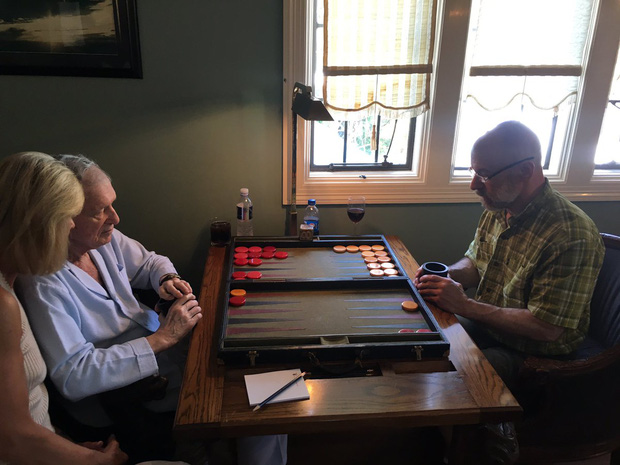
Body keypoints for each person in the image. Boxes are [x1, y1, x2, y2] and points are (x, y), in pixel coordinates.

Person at [16, 154, 287, 465]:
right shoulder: (42, 283)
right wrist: (162, 339)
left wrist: (166, 278)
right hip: (134, 395)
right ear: (62, 218)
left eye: (112, 204)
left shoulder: (102, 238)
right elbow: (74, 376)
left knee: (266, 373)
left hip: (173, 354)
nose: (115, 218)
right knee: (259, 401)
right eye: (99, 211)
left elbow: (149, 262)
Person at [414, 121, 604, 464]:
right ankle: (425, 435)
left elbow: (547, 328)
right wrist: (447, 276)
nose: (474, 185)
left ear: (526, 170)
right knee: (422, 339)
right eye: (474, 172)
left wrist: (465, 305)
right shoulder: (500, 206)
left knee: (460, 378)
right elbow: (476, 262)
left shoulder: (570, 234)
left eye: (484, 174)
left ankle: (481, 449)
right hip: (491, 326)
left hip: (538, 353)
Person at [0, 151, 127, 464]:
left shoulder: (11, 284)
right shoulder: (3, 305)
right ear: (36, 224)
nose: (71, 225)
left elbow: (27, 413)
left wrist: (68, 446)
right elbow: (12, 439)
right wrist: (97, 461)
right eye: (66, 216)